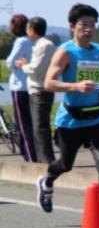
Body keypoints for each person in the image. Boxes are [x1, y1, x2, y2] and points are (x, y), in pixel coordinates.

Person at [36, 3, 99, 228]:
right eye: (83, 25)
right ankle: (46, 181)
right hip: (71, 119)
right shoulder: (65, 51)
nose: (88, 29)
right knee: (66, 164)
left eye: (92, 25)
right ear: (72, 26)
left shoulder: (98, 50)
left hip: (96, 117)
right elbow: (48, 82)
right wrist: (75, 87)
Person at [22, 16, 56, 163]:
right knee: (38, 127)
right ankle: (41, 159)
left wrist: (24, 65)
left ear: (32, 29)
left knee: (40, 127)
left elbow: (36, 69)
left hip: (41, 90)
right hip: (37, 90)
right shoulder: (42, 44)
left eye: (28, 28)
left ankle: (47, 161)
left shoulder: (45, 45)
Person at [5, 14, 36, 161]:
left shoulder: (20, 41)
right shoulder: (34, 41)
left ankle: (29, 157)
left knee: (22, 125)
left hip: (20, 86)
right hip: (34, 86)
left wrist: (16, 64)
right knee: (33, 122)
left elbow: (10, 63)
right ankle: (36, 154)